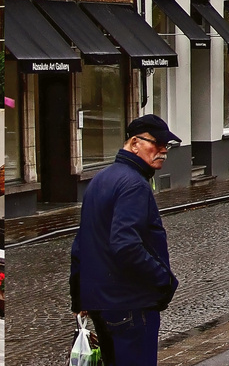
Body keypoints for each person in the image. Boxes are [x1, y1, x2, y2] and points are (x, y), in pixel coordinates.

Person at [70, 114, 181, 366]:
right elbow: (126, 244)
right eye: (157, 143)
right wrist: (163, 280)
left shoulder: (100, 180)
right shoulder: (134, 185)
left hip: (103, 305)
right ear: (134, 143)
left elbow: (80, 246)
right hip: (131, 304)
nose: (163, 150)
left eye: (167, 146)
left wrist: (80, 298)